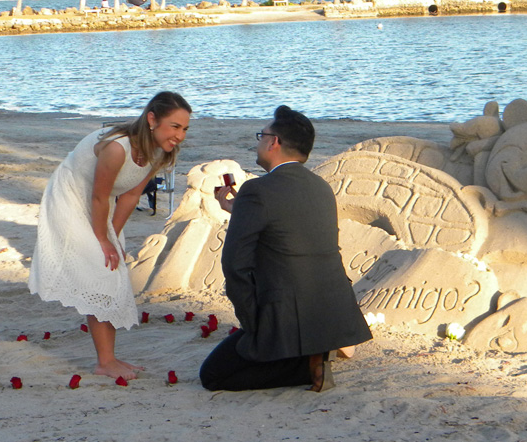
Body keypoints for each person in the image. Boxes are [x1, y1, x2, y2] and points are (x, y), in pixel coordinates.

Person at [201, 109, 372, 393]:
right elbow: (290, 232)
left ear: (274, 142)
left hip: (288, 312)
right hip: (332, 308)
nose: (258, 142)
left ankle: (304, 366)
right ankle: (313, 353)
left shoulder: (257, 190)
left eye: (262, 136)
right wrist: (238, 210)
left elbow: (234, 264)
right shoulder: (321, 187)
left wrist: (251, 321)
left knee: (214, 375)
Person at [29, 90, 191, 371]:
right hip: (72, 195)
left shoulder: (161, 153)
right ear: (152, 119)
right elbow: (98, 197)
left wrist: (112, 238)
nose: (180, 135)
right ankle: (105, 362)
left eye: (185, 128)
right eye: (175, 126)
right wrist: (101, 239)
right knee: (100, 271)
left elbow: (129, 196)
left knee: (111, 269)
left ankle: (108, 358)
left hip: (100, 199)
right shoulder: (118, 148)